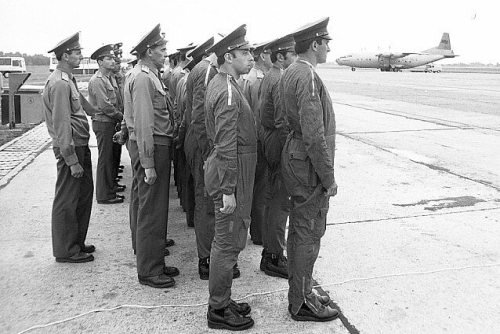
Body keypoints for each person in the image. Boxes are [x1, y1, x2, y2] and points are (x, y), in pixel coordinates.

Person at [280, 17, 339, 322]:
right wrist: (328, 178)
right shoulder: (307, 76)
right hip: (308, 167)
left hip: (297, 159)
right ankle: (302, 301)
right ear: (315, 44)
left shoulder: (292, 71)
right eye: (326, 42)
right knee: (308, 232)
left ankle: (301, 290)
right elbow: (314, 134)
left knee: (300, 230)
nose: (329, 47)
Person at [204, 24, 256, 331]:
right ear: (228, 56)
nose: (250, 57)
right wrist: (227, 189)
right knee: (226, 244)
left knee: (229, 241)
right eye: (244, 52)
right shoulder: (225, 90)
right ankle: (218, 309)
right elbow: (225, 143)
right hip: (230, 173)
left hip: (233, 170)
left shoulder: (226, 83)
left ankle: (223, 298)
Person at [124, 24, 179, 288]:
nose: (165, 54)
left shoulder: (147, 75)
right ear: (149, 51)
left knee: (152, 208)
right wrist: (147, 162)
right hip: (153, 146)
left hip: (156, 145)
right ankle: (149, 270)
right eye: (162, 49)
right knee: (151, 211)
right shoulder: (144, 78)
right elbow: (143, 121)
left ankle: (154, 260)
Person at [43, 32, 95, 263]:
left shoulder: (68, 80)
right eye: (77, 52)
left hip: (80, 145)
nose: (81, 56)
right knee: (67, 199)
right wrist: (71, 160)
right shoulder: (60, 84)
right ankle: (66, 249)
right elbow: (62, 124)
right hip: (71, 148)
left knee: (82, 196)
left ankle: (76, 241)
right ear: (65, 55)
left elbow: (82, 109)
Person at [258, 34, 297, 278]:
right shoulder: (279, 79)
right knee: (279, 201)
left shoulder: (270, 76)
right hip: (277, 142)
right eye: (292, 54)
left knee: (272, 198)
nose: (295, 57)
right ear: (280, 57)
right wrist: (288, 155)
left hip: (268, 138)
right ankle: (273, 255)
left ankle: (271, 252)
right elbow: (283, 122)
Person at [241, 41, 273, 246]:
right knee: (262, 189)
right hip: (259, 140)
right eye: (271, 53)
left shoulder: (250, 77)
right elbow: (260, 115)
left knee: (256, 188)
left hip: (252, 139)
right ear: (263, 56)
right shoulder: (258, 79)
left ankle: (257, 229)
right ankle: (260, 232)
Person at [88, 44, 124, 205]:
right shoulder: (98, 80)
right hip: (104, 122)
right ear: (100, 62)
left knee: (112, 157)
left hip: (111, 122)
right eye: (108, 58)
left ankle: (110, 187)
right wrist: (122, 116)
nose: (112, 61)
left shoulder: (109, 78)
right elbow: (105, 106)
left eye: (112, 58)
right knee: (105, 159)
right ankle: (104, 194)